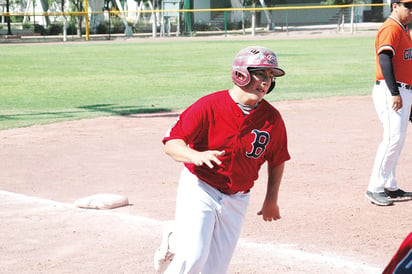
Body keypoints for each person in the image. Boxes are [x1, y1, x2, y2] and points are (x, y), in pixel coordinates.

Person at [153, 46, 290, 273]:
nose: (266, 81)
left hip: (238, 198)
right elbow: (172, 143)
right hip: (200, 187)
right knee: (193, 257)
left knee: (214, 269)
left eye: (270, 76)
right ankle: (179, 241)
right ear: (241, 73)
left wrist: (271, 199)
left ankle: (176, 239)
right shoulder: (209, 105)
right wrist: (194, 155)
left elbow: (277, 160)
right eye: (261, 74)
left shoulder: (272, 119)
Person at [366, 0, 412, 206]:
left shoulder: (403, 29)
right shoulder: (391, 28)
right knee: (393, 137)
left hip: (403, 90)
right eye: (408, 6)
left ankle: (390, 185)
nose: (411, 11)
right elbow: (384, 59)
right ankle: (374, 187)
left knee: (398, 138)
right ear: (395, 6)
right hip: (390, 89)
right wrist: (394, 92)